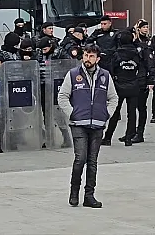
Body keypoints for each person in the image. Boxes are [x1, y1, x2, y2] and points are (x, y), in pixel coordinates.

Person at [57, 44, 119, 208]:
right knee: (80, 158)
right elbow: (62, 96)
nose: (87, 59)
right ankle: (74, 193)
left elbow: (113, 98)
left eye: (91, 56)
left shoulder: (105, 76)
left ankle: (89, 196)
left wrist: (106, 114)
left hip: (98, 124)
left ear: (97, 59)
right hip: (78, 123)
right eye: (85, 55)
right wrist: (72, 113)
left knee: (92, 161)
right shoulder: (73, 74)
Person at [103, 31, 142, 146]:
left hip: (119, 85)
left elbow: (111, 69)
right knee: (132, 113)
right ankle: (129, 138)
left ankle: (108, 138)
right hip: (133, 84)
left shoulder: (116, 54)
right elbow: (141, 68)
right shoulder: (136, 54)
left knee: (115, 113)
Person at [131, 19, 152, 143]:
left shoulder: (148, 42)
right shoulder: (134, 42)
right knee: (132, 108)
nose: (145, 29)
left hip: (142, 79)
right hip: (133, 78)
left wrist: (150, 80)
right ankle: (131, 132)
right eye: (143, 27)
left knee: (141, 107)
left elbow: (149, 62)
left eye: (147, 27)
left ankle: (140, 133)